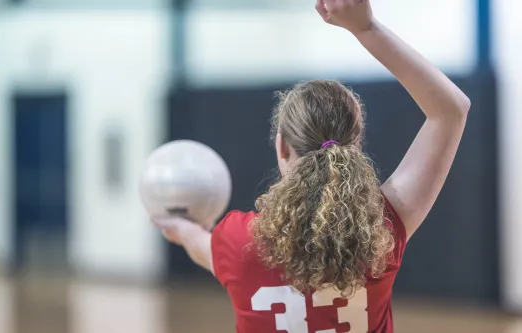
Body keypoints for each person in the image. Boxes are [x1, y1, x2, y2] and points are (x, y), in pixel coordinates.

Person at [153, 0, 471, 332]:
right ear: (355, 145)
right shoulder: (383, 228)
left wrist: (181, 225)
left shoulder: (238, 242)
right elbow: (451, 110)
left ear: (281, 147)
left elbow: (199, 245)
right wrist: (366, 29)